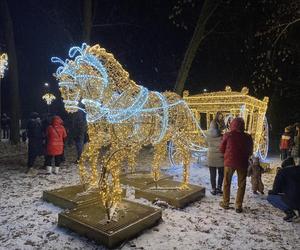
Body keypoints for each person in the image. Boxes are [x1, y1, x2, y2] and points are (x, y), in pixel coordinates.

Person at [219, 117, 253, 213]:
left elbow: (221, 149)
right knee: (241, 184)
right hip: (242, 163)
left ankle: (225, 203)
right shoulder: (248, 137)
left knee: (226, 182)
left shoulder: (228, 135)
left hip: (229, 162)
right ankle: (238, 205)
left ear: (232, 124)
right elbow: (250, 151)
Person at [206, 114, 224, 195]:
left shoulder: (208, 136)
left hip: (211, 157)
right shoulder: (222, 137)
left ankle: (213, 189)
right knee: (221, 173)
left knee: (212, 174)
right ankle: (219, 188)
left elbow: (206, 144)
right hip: (220, 158)